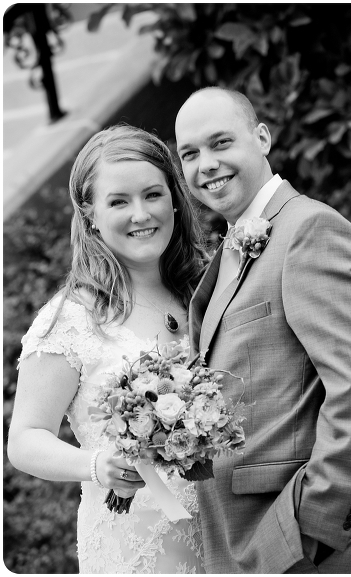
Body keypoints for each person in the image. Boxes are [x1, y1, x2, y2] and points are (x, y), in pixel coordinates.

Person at [174, 87, 351, 574]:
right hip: (241, 537)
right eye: (190, 154)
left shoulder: (310, 230)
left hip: (305, 544)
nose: (206, 164)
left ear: (262, 138)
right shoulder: (231, 247)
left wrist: (310, 527)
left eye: (221, 143)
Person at [7, 125, 209, 573]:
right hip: (135, 548)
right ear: (90, 214)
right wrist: (98, 465)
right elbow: (23, 440)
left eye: (153, 195)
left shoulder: (206, 290)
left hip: (230, 538)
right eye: (119, 201)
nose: (141, 214)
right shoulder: (72, 318)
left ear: (175, 198)